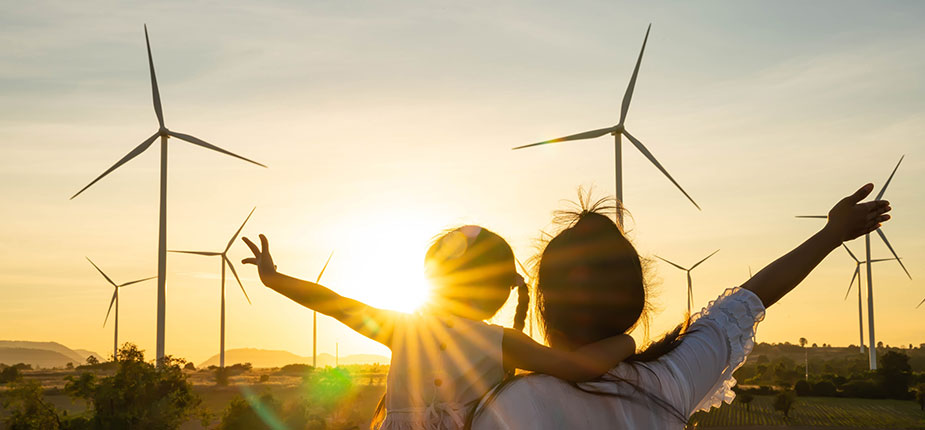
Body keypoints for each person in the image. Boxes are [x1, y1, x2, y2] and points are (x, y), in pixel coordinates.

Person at [468, 184, 891, 429]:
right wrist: (831, 233)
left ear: (544, 303)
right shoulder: (669, 378)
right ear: (635, 301)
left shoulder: (509, 406)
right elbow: (752, 297)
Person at [241, 225, 636, 430]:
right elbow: (579, 367)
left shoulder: (402, 329)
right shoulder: (502, 342)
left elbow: (334, 305)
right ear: (499, 291)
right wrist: (625, 341)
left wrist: (274, 279)